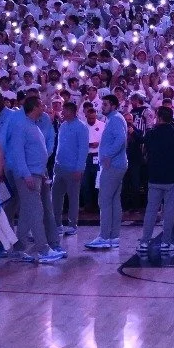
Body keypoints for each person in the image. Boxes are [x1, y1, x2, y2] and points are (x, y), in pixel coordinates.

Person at [7, 93, 57, 263]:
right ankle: (43, 249)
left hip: (37, 173)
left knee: (28, 213)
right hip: (27, 176)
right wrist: (26, 174)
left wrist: (41, 172)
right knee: (36, 210)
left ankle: (19, 249)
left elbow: (38, 152)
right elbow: (18, 152)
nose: (43, 107)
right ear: (34, 107)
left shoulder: (33, 125)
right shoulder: (21, 126)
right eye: (41, 105)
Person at [141, 103, 174, 256]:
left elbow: (144, 153)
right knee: (169, 211)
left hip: (154, 177)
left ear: (159, 117)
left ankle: (144, 242)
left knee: (151, 211)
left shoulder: (150, 133)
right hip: (172, 178)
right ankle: (165, 243)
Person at [91, 93, 128, 251]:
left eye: (105, 104)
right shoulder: (115, 119)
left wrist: (108, 155)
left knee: (104, 200)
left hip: (113, 165)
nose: (102, 107)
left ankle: (104, 236)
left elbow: (121, 139)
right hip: (117, 164)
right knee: (113, 201)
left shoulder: (115, 119)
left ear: (113, 105)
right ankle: (114, 236)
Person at [51, 98, 89, 237]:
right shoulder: (63, 126)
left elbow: (83, 149)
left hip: (73, 168)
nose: (62, 112)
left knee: (73, 197)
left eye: (65, 110)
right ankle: (57, 224)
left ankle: (73, 225)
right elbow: (59, 146)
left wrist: (79, 168)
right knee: (56, 197)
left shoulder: (81, 127)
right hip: (59, 167)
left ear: (72, 112)